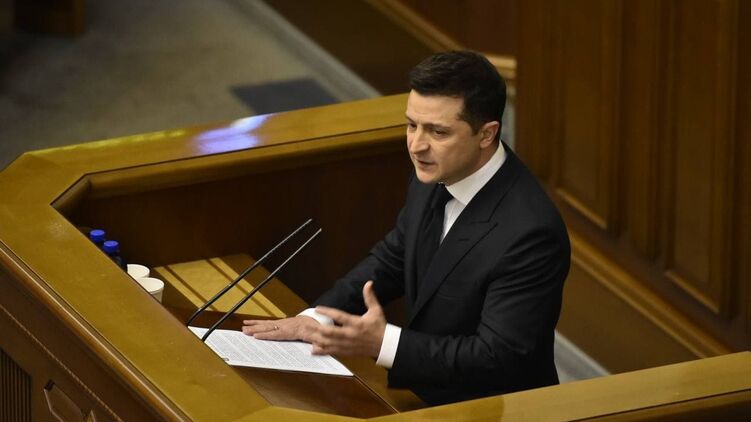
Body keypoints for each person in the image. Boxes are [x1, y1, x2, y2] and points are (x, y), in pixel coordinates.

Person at [243, 50, 570, 405]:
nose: (416, 146)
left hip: (491, 408)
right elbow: (393, 258)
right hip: (425, 391)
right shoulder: (435, 174)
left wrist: (383, 343)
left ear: (486, 134)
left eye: (438, 132)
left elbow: (496, 358)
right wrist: (319, 319)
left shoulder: (531, 233)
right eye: (412, 125)